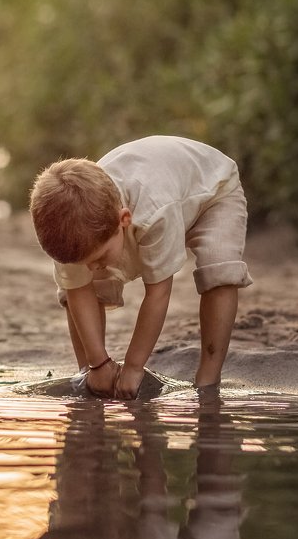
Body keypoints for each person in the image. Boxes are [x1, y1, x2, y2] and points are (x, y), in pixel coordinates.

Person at [29, 136, 252, 398]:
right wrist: (97, 363)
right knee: (81, 284)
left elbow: (158, 293)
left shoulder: (154, 211)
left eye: (98, 256)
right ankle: (91, 374)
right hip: (158, 193)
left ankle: (208, 381)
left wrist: (134, 366)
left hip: (212, 191)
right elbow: (78, 290)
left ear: (123, 220)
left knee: (219, 271)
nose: (93, 266)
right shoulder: (68, 223)